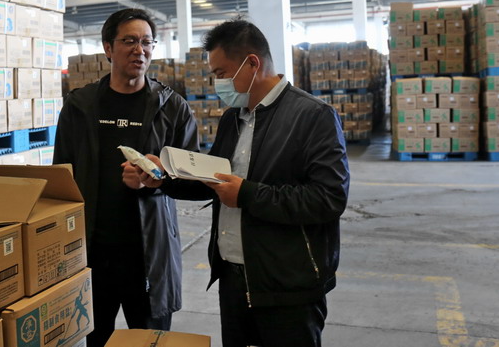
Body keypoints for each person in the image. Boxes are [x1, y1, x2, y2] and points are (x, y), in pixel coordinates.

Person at [137, 18, 350, 347]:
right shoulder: (233, 119)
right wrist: (163, 177)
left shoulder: (313, 116)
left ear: (252, 63)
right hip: (233, 279)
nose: (217, 83)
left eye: (221, 73)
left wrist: (247, 194)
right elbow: (213, 180)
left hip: (286, 286)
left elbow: (328, 198)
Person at [53, 8, 199, 347]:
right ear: (108, 48)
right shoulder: (79, 106)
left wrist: (158, 178)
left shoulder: (172, 107)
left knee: (150, 340)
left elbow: (195, 182)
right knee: (95, 339)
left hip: (148, 254)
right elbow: (62, 176)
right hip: (93, 253)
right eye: (129, 41)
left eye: (147, 42)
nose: (140, 50)